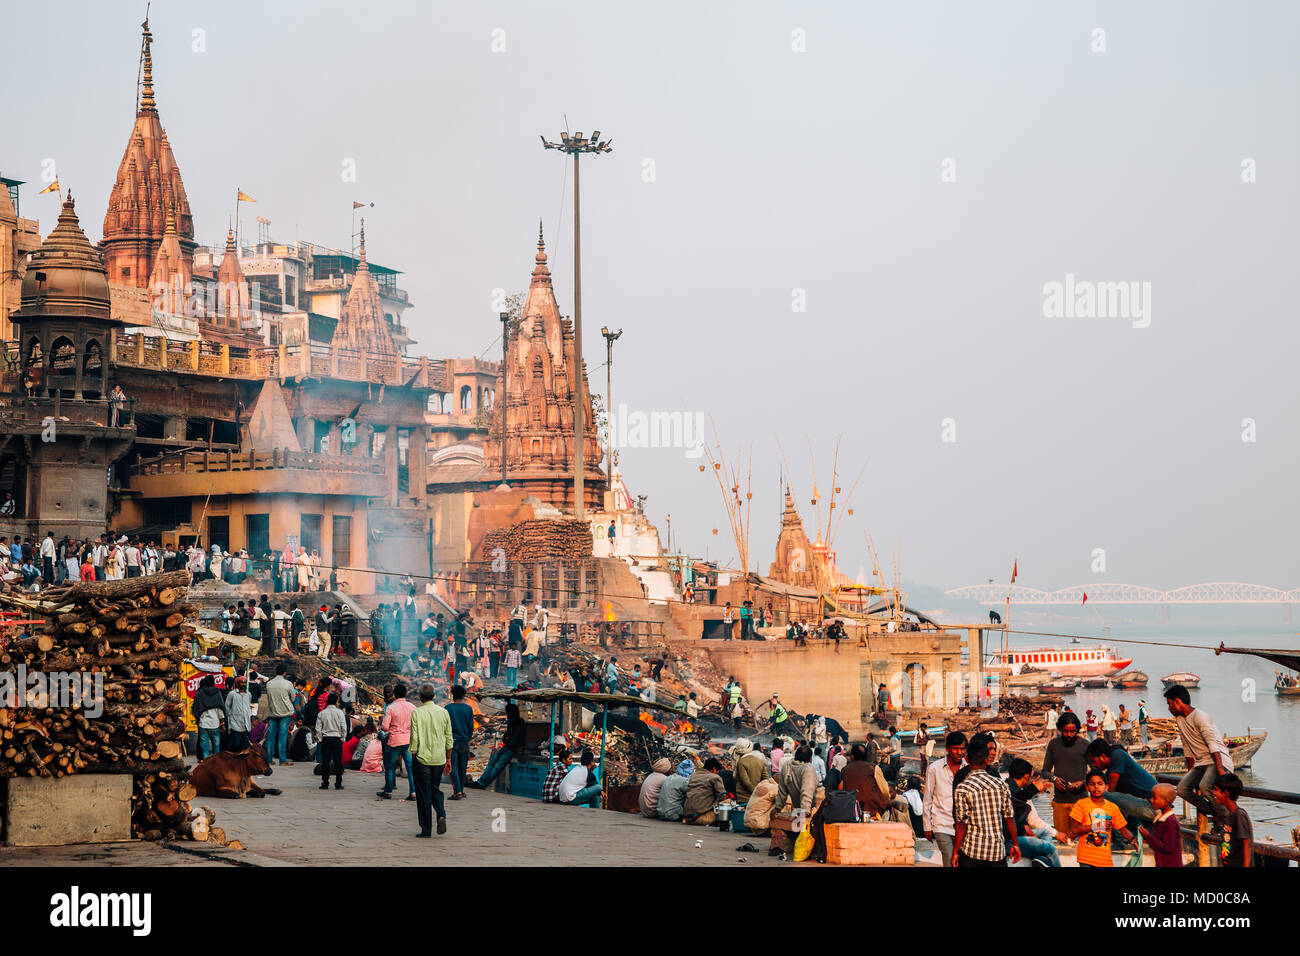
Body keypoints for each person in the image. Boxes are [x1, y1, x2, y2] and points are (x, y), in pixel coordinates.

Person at [1164, 684, 1233, 824]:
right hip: (1201, 763)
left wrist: (1220, 770)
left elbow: (1213, 744)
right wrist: (1191, 772)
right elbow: (1187, 746)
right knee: (1182, 789)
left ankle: (1227, 817)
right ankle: (1215, 813)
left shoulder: (1200, 717)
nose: (1169, 708)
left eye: (1170, 704)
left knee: (1204, 786)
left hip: (1216, 760)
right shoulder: (1179, 720)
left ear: (1178, 701)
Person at [952, 736, 1019, 867]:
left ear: (967, 759)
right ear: (986, 758)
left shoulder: (963, 787)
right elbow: (1009, 817)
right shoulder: (1001, 784)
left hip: (971, 851)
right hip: (996, 851)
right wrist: (1015, 844)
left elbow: (961, 823)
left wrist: (956, 851)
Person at [408, 683, 453, 837]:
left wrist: (413, 755)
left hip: (422, 758)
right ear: (434, 696)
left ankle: (426, 829)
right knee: (435, 788)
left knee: (423, 794)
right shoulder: (443, 712)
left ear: (420, 697)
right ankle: (441, 813)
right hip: (439, 759)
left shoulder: (417, 713)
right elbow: (449, 738)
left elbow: (414, 738)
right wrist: (448, 759)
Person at [1085, 737, 1157, 829]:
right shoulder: (1110, 769)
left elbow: (1111, 789)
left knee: (1104, 796)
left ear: (1103, 756)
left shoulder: (1118, 756)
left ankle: (1120, 839)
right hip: (1143, 804)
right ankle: (1129, 836)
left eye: (1094, 761)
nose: (1093, 765)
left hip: (1151, 805)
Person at [1006, 758, 1063, 866]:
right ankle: (1045, 859)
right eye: (1031, 777)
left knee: (1045, 832)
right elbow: (1025, 821)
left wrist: (1032, 790)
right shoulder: (1011, 791)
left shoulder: (1016, 789)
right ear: (1026, 776)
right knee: (1050, 848)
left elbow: (1023, 820)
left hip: (1017, 832)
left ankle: (1041, 860)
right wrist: (1032, 789)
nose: (1032, 780)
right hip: (1009, 840)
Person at [1070, 770, 1133, 867]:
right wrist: (1097, 826)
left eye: (1100, 784)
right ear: (1087, 787)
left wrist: (1134, 840)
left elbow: (1123, 830)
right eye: (1092, 784)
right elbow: (1075, 829)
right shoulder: (1081, 804)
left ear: (1106, 787)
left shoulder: (1113, 807)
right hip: (1086, 858)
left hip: (1104, 859)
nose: (1096, 787)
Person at [1041, 711, 1089, 836]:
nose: (1068, 735)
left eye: (1072, 731)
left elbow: (1096, 773)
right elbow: (1045, 771)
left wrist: (1083, 782)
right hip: (1060, 803)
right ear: (1060, 729)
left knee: (1082, 840)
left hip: (1081, 803)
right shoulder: (1053, 744)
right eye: (1065, 731)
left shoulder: (1085, 745)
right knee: (1063, 839)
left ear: (1077, 729)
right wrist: (1055, 779)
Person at [924, 731, 968, 868]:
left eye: (962, 749)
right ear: (948, 749)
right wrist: (927, 826)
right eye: (956, 749)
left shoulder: (969, 769)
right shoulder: (934, 768)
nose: (959, 752)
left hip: (965, 824)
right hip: (941, 823)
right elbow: (928, 798)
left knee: (962, 861)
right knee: (949, 858)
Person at [377, 683, 416, 801]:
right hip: (408, 740)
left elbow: (384, 727)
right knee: (410, 768)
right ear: (406, 694)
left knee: (390, 766)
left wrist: (393, 729)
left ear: (395, 694)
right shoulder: (413, 707)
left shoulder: (391, 708)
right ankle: (413, 792)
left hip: (395, 741)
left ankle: (388, 791)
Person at [472, 702, 524, 789]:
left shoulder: (519, 722)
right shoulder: (511, 722)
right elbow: (506, 736)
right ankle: (481, 781)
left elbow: (513, 738)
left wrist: (507, 740)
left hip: (512, 749)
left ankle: (484, 784)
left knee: (497, 766)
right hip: (507, 746)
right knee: (492, 762)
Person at [1210, 773, 1252, 867]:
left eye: (1216, 790)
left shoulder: (1239, 815)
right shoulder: (1228, 816)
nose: (1213, 793)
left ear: (1226, 794)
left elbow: (1247, 844)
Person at [840, 743, 891, 817]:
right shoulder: (874, 768)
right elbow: (885, 790)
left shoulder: (844, 770)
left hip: (850, 810)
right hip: (872, 811)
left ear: (852, 757)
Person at [1138, 783, 1183, 868]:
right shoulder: (1161, 819)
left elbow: (1168, 847)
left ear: (1166, 801)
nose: (1151, 800)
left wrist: (1148, 836)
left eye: (1154, 798)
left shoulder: (1170, 822)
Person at [445, 684, 474, 799]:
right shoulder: (468, 709)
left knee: (453, 766)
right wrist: (468, 739)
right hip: (464, 741)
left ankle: (458, 791)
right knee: (463, 767)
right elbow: (470, 727)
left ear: (453, 694)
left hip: (452, 741)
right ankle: (460, 789)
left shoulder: (448, 708)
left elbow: (445, 726)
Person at [774, 745, 818, 820]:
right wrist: (805, 811)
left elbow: (782, 792)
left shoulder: (787, 766)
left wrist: (778, 807)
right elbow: (807, 791)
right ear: (810, 758)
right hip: (811, 810)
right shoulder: (808, 768)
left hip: (799, 809)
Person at [315, 692, 347, 789]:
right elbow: (343, 727)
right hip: (337, 739)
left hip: (326, 739)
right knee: (338, 762)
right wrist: (342, 738)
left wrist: (320, 739)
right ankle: (338, 783)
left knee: (326, 762)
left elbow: (318, 728)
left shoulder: (321, 713)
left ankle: (325, 783)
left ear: (327, 701)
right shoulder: (340, 713)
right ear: (337, 701)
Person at [264, 663, 295, 765]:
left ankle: (268, 759)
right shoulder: (288, 684)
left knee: (270, 737)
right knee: (282, 736)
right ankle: (282, 760)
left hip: (273, 713)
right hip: (285, 713)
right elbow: (293, 698)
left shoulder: (269, 684)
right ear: (284, 673)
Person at [193, 676, 227, 760]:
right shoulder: (217, 693)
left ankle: (206, 765)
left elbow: (195, 709)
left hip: (203, 724)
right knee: (216, 748)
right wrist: (222, 723)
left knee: (205, 749)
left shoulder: (199, 694)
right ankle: (216, 765)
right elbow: (221, 710)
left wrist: (198, 719)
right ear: (213, 682)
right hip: (215, 724)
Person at [683, 757, 726, 824]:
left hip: (687, 817)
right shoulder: (715, 777)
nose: (717, 773)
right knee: (726, 801)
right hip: (701, 818)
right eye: (717, 771)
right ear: (714, 769)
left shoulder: (693, 776)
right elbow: (722, 796)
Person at [731, 738, 770, 805]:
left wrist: (754, 792)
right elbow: (766, 778)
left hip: (743, 798)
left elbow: (745, 782)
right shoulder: (759, 761)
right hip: (755, 798)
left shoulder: (741, 762)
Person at [225, 676, 252, 752]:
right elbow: (227, 708)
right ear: (237, 684)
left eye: (244, 682)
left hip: (246, 723)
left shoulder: (248, 694)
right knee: (236, 744)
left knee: (246, 745)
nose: (243, 684)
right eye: (241, 682)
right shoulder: (232, 694)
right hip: (235, 723)